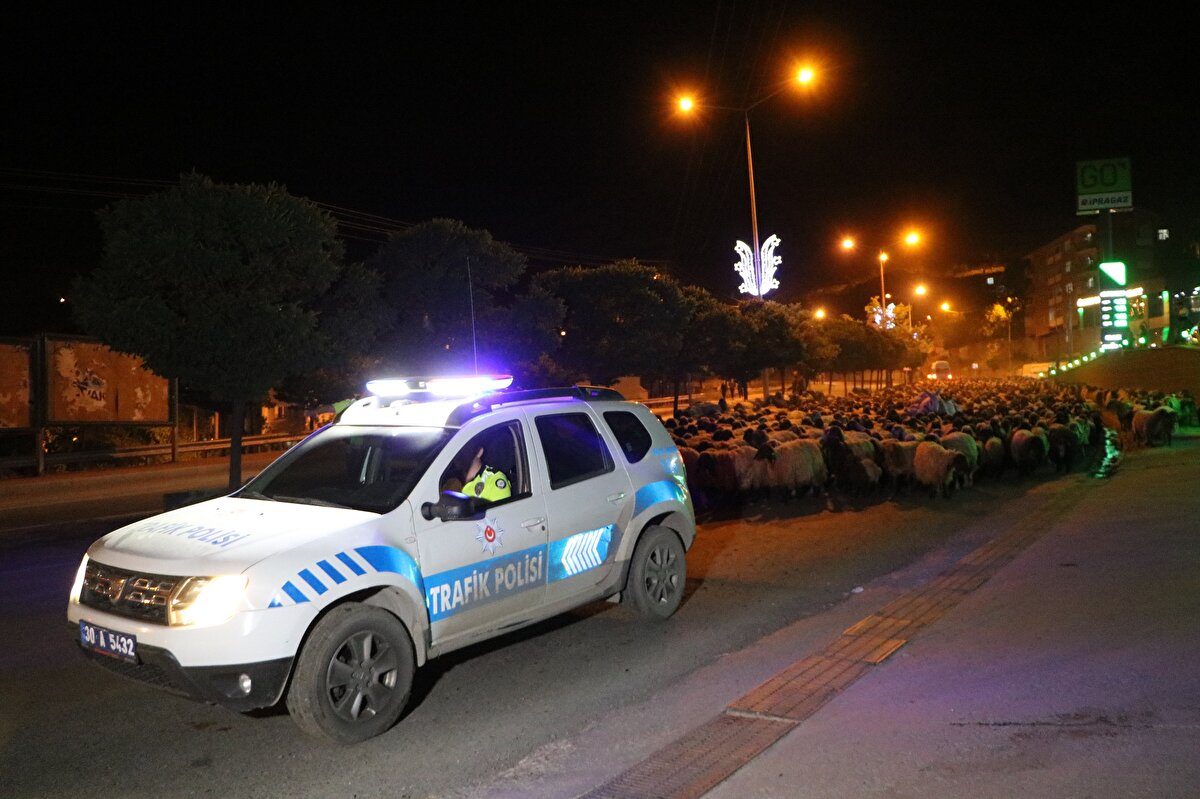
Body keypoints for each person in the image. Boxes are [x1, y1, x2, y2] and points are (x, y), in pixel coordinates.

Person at [447, 445, 511, 503]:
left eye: (464, 449)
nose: (460, 455)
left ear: (480, 452)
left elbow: (501, 513)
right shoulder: (448, 478)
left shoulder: (494, 480)